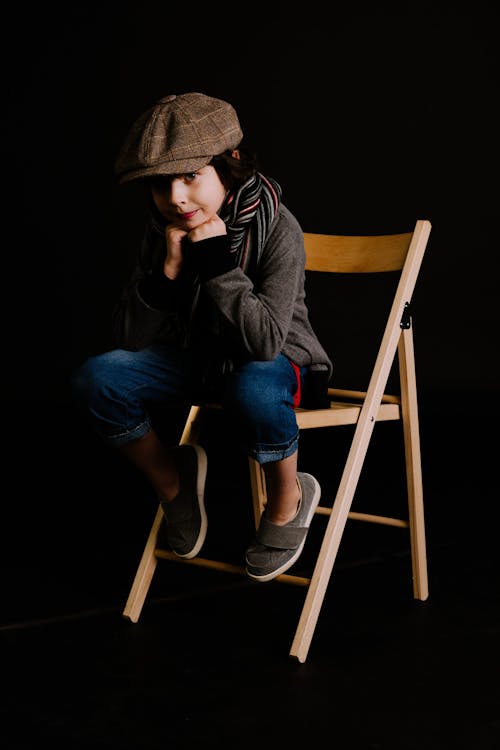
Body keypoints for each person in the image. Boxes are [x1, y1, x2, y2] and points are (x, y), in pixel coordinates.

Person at [71, 91, 333, 582]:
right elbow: (129, 339)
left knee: (251, 384)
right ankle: (173, 482)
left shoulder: (278, 227)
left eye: (190, 177)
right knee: (98, 377)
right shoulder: (164, 230)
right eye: (160, 185)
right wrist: (165, 274)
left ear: (230, 164)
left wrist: (215, 262)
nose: (175, 198)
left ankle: (287, 496)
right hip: (199, 360)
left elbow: (265, 342)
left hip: (275, 366)